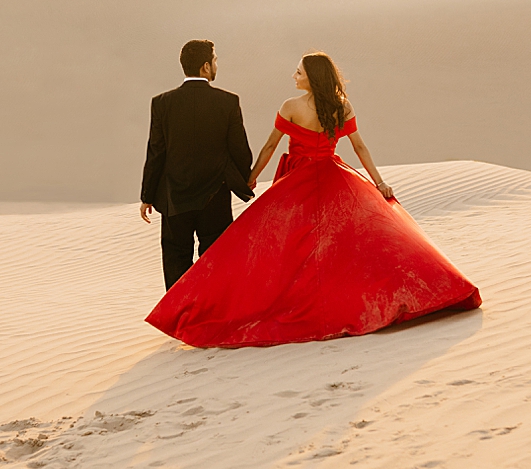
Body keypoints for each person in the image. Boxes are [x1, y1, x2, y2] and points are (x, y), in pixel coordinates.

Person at [146, 51, 481, 348]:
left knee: (290, 248)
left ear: (311, 77)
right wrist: (379, 183)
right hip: (335, 176)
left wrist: (249, 177)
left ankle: (268, 305)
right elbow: (360, 147)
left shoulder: (291, 107)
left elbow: (269, 147)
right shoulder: (341, 106)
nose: (294, 76)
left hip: (297, 182)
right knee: (348, 244)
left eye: (299, 72)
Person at [140, 37, 255, 290]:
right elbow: (240, 150)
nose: (216, 66)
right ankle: (214, 313)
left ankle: (180, 319)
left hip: (174, 196)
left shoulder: (162, 103)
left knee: (176, 257)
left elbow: (156, 152)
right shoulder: (228, 101)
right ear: (205, 66)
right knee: (217, 258)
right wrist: (244, 177)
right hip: (215, 194)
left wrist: (148, 194)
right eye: (215, 61)